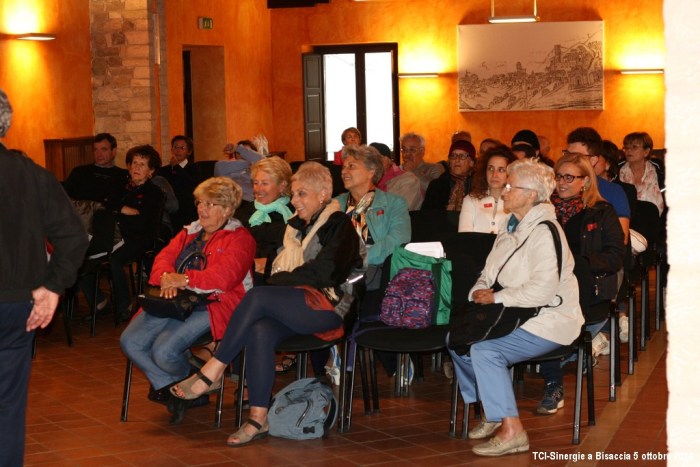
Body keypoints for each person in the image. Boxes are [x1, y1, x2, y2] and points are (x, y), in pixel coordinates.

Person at [169, 162, 362, 446]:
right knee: (260, 330)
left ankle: (213, 370)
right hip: (296, 305)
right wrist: (278, 278)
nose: (294, 200)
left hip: (330, 308)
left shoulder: (339, 225)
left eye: (301, 194)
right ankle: (259, 418)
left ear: (322, 194)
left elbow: (325, 273)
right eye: (293, 194)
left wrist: (281, 279)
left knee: (258, 296)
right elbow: (270, 264)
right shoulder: (294, 227)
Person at [447, 159, 583, 457]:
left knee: (486, 351)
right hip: (515, 312)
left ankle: (513, 431)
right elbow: (487, 273)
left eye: (511, 186)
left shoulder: (545, 232)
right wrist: (477, 291)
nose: (504, 190)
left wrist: (496, 298)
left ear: (532, 194)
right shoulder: (511, 226)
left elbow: (542, 291)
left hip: (549, 319)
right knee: (457, 339)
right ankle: (494, 408)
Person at [0, 88, 89, 466]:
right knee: (7, 405)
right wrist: (53, 287)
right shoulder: (33, 175)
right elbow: (74, 236)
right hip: (16, 307)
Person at [120, 177, 255, 423]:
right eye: (200, 202)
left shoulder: (240, 238)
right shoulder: (189, 232)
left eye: (210, 204)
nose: (202, 209)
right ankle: (187, 385)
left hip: (214, 304)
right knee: (130, 342)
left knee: (164, 351)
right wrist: (166, 278)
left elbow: (223, 278)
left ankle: (188, 388)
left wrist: (183, 279)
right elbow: (162, 259)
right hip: (174, 300)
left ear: (227, 209)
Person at [537, 153, 625, 415]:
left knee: (553, 314)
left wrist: (579, 264)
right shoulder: (543, 211)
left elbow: (615, 257)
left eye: (569, 177)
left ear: (585, 181)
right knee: (543, 310)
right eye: (558, 176)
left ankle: (554, 383)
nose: (562, 183)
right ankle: (566, 356)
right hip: (547, 285)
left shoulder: (602, 211)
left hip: (588, 286)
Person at [80, 145, 165, 321]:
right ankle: (100, 302)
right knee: (80, 257)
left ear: (151, 171)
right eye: (134, 163)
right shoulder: (121, 185)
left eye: (142, 164)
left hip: (138, 238)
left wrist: (116, 213)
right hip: (113, 235)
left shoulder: (154, 193)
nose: (136, 168)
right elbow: (104, 202)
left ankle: (125, 305)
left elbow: (142, 223)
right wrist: (122, 209)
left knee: (115, 260)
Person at [247, 156, 294, 282]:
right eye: (256, 183)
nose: (258, 189)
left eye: (264, 183)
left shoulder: (294, 211)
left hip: (282, 277)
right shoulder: (244, 211)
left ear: (282, 185)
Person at [458, 146, 516, 233]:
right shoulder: (471, 200)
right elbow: (464, 236)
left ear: (510, 173)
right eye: (490, 169)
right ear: (484, 172)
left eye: (501, 170)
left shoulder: (517, 201)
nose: (494, 175)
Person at [62, 133, 128, 202]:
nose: (99, 154)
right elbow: (64, 196)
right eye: (95, 150)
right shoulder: (79, 172)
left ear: (114, 151)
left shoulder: (122, 175)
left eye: (103, 149)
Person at [158, 135, 202, 231]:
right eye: (175, 147)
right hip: (169, 210)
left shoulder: (194, 168)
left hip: (187, 210)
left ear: (189, 152)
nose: (178, 150)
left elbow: (192, 186)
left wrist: (177, 167)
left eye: (182, 148)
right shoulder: (163, 170)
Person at [422, 140, 477, 211]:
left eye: (462, 156)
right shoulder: (437, 185)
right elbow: (427, 214)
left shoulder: (478, 186)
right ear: (449, 161)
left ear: (471, 162)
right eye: (453, 156)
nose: (457, 160)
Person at [619, 131, 665, 215]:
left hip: (657, 221)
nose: (629, 150)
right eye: (626, 147)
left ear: (646, 152)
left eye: (634, 147)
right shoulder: (618, 171)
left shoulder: (658, 171)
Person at [373, 142, 422, 211]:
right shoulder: (369, 181)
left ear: (389, 160)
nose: (374, 163)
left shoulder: (408, 180)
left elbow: (399, 211)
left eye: (378, 158)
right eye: (369, 160)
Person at [215, 141, 264, 208]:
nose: (243, 155)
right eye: (239, 152)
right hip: (238, 204)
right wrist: (248, 162)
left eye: (247, 153)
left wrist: (239, 149)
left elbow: (265, 162)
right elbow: (219, 168)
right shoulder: (227, 169)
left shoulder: (260, 171)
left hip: (258, 203)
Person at [399, 132, 445, 199]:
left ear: (422, 151)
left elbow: (435, 191)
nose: (407, 154)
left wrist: (413, 171)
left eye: (412, 150)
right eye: (404, 150)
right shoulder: (397, 170)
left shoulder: (435, 168)